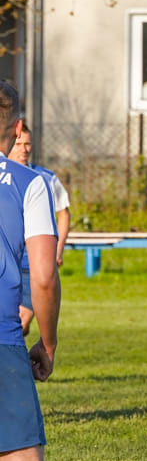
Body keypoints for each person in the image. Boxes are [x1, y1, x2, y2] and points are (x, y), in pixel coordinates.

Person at [0, 80, 62, 461]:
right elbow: (43, 275)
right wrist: (48, 342)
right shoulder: (30, 183)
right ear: (17, 128)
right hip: (3, 340)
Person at [10, 123, 71, 337]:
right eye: (19, 144)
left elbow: (63, 213)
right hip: (7, 262)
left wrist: (58, 249)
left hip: (31, 265)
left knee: (21, 323)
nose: (24, 149)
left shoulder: (44, 178)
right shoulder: (4, 177)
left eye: (28, 144)